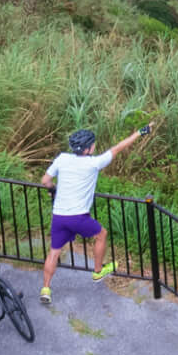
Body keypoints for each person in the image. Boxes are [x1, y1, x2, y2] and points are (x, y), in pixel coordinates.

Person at [38, 122, 152, 305]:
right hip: (78, 217)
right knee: (101, 234)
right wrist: (140, 132)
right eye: (93, 144)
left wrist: (53, 190)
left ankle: (45, 288)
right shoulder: (94, 163)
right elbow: (118, 148)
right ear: (88, 149)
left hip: (59, 215)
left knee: (54, 252)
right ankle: (98, 271)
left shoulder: (62, 159)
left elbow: (45, 180)